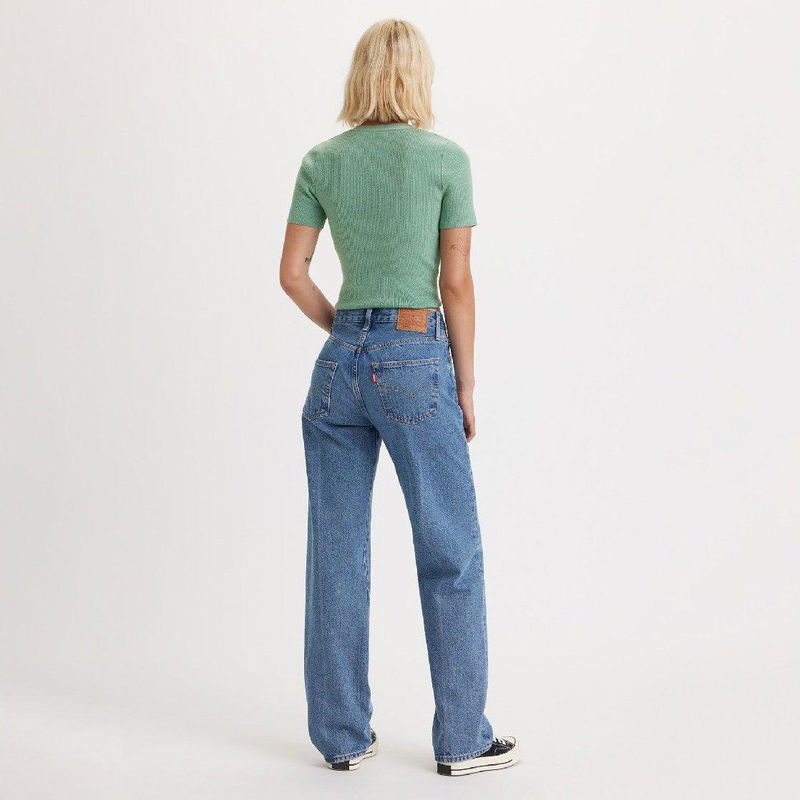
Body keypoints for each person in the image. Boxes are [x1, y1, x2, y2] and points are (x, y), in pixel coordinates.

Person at [279, 18, 520, 777]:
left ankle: (341, 737)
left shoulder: (321, 161)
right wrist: (465, 382)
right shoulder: (444, 159)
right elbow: (457, 281)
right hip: (417, 358)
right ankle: (463, 740)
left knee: (336, 553)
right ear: (420, 75)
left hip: (338, 365)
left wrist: (348, 333)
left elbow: (292, 274)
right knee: (450, 549)